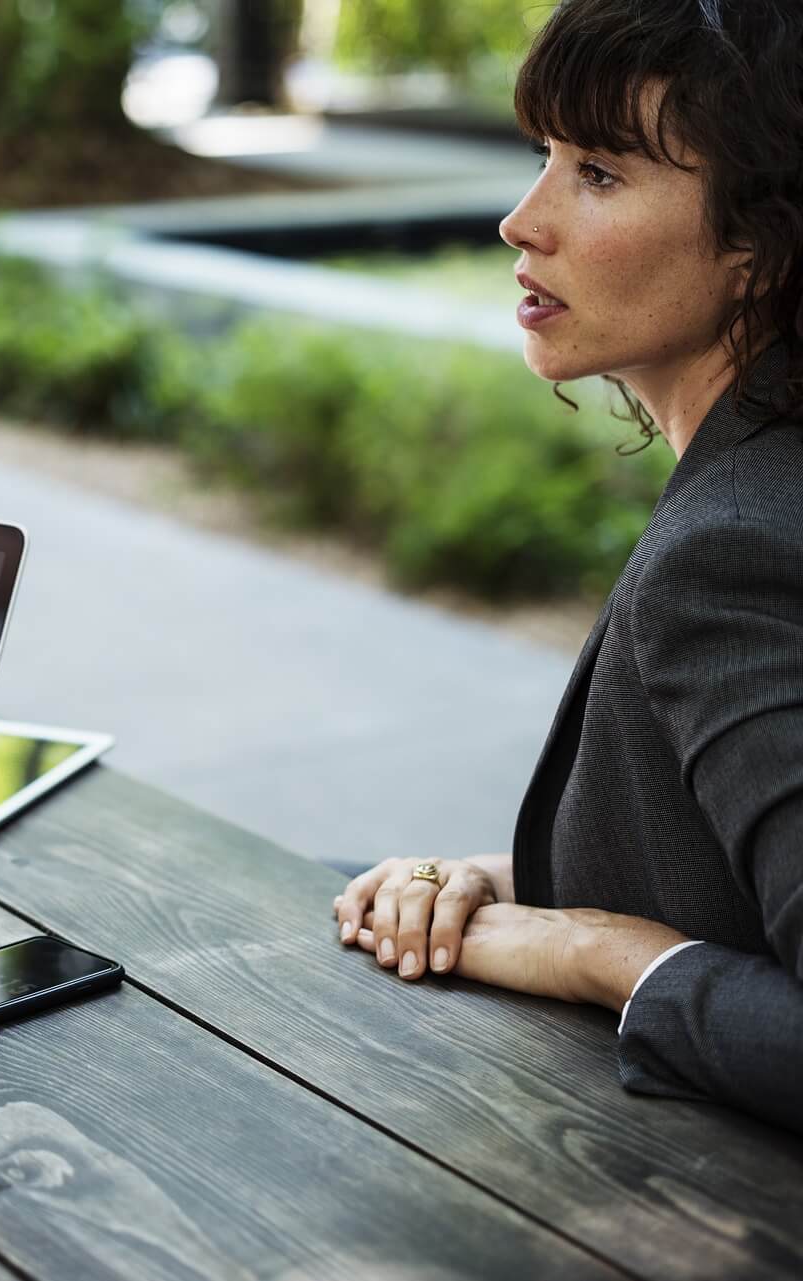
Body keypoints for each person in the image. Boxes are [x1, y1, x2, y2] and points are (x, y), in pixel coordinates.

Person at [331, 0, 802, 1138]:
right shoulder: (759, 483)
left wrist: (595, 952)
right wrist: (501, 880)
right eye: (542, 157)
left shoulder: (732, 556)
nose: (520, 222)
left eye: (597, 172)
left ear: (760, 242)